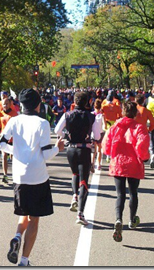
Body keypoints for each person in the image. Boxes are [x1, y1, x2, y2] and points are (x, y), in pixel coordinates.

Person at [0, 88, 65, 266]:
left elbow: (0, 143)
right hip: (37, 176)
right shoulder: (42, 123)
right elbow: (45, 154)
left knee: (24, 212)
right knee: (34, 218)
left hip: (19, 176)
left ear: (20, 104)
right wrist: (58, 147)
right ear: (38, 104)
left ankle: (17, 237)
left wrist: (17, 152)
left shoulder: (13, 120)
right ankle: (24, 260)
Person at [102, 101, 150, 243]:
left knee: (120, 194)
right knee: (133, 192)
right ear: (135, 113)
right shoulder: (139, 128)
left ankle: (118, 219)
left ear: (122, 112)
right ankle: (132, 219)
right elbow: (142, 143)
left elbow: (106, 145)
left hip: (118, 163)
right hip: (134, 163)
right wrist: (144, 157)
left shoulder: (115, 126)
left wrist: (110, 153)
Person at [55, 91, 95, 226]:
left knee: (74, 173)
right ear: (87, 102)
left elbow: (57, 130)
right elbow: (96, 133)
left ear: (75, 102)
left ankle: (74, 196)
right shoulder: (91, 116)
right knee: (84, 180)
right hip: (85, 149)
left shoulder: (67, 115)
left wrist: (66, 135)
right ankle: (80, 213)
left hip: (71, 149)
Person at [0, 97, 18, 184]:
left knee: (14, 157)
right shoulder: (1, 113)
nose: (5, 105)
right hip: (4, 137)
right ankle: (5, 175)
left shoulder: (14, 114)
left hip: (13, 138)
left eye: (6, 104)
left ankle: (15, 174)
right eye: (3, 104)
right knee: (4, 156)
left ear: (10, 104)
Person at [90, 99, 105, 172]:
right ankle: (98, 164)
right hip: (100, 134)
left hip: (93, 134)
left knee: (93, 151)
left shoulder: (91, 114)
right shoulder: (102, 115)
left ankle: (92, 164)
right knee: (99, 150)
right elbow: (104, 126)